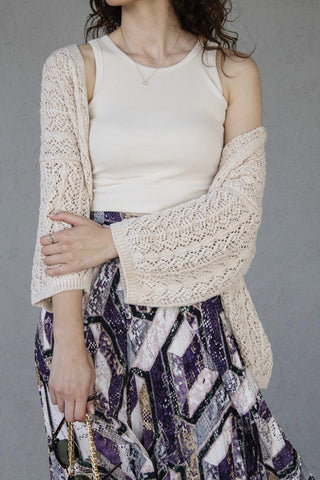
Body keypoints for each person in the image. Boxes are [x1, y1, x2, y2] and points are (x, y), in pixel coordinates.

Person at [31, 1, 315, 479]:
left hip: (196, 323)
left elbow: (237, 219)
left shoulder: (231, 73)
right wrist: (67, 345)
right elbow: (61, 223)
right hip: (92, 325)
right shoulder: (72, 68)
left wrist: (115, 241)